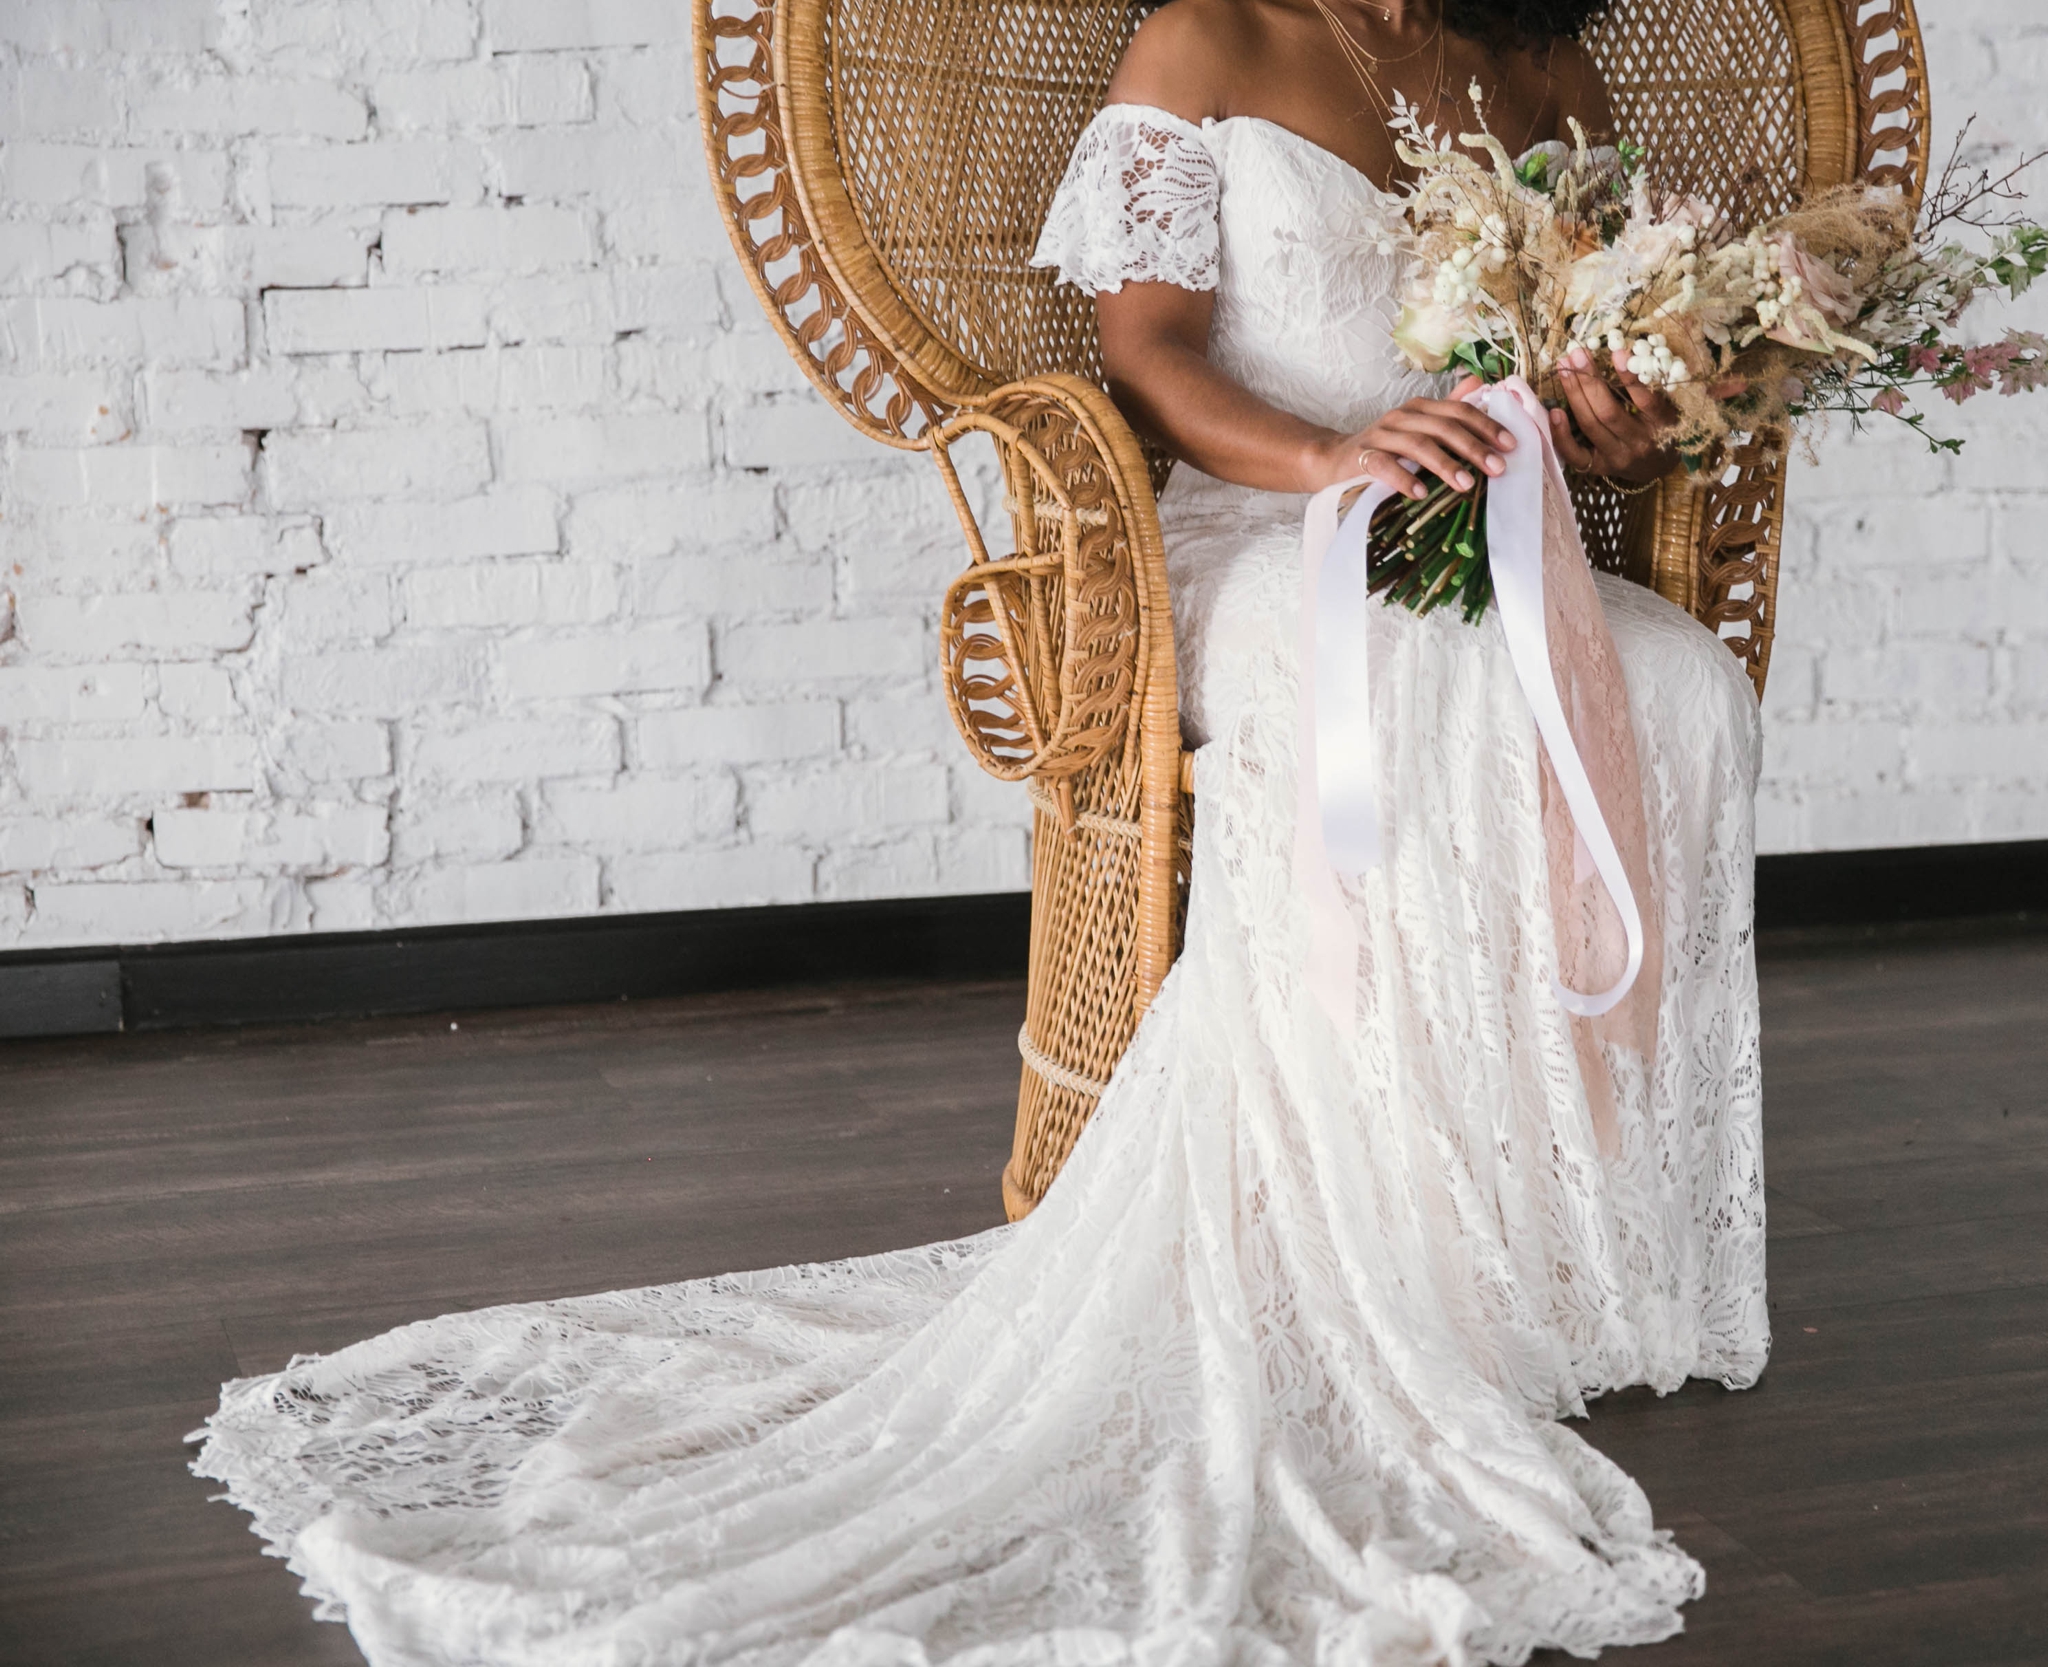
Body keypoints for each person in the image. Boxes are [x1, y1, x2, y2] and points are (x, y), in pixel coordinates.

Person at [192, 1, 1765, 1660]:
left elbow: (1581, 357)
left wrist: (1607, 419)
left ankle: (1562, 1238)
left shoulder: (1539, 63)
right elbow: (1145, 356)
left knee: (1684, 695)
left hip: (1484, 529)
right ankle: (1388, 1244)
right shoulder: (1206, 40)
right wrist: (1330, 454)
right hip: (1262, 525)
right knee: (1396, 680)